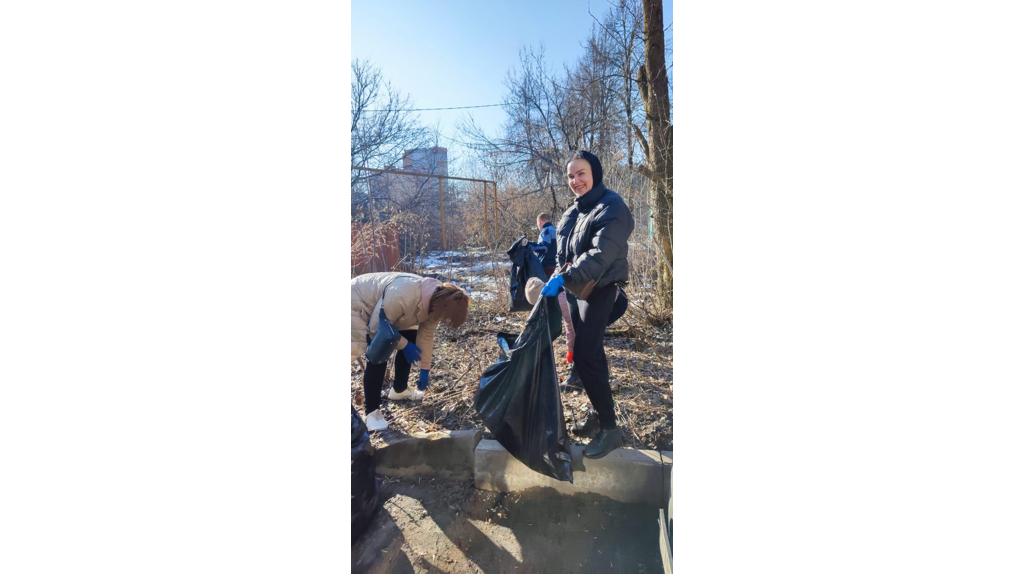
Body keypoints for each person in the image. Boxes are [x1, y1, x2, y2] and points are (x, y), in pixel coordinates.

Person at [540, 150, 635, 459]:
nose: (575, 181)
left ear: (594, 172)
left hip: (604, 288)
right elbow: (561, 254)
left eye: (581, 173)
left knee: (585, 354)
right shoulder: (572, 213)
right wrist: (557, 276)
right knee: (588, 355)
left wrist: (568, 276)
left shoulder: (613, 206)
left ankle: (610, 430)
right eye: (570, 176)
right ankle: (599, 412)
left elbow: (601, 254)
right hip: (581, 290)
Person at [351, 272, 470, 431]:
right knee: (379, 351)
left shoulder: (438, 303)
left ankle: (399, 390)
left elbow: (426, 335)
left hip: (388, 311)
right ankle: (371, 412)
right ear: (441, 306)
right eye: (443, 318)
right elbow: (377, 331)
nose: (441, 321)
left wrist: (425, 369)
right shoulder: (402, 295)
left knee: (411, 337)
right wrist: (404, 345)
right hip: (358, 302)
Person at [528, 213, 558, 277]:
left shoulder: (545, 231)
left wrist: (530, 245)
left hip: (547, 268)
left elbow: (544, 248)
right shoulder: (556, 230)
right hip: (557, 266)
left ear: (540, 222)